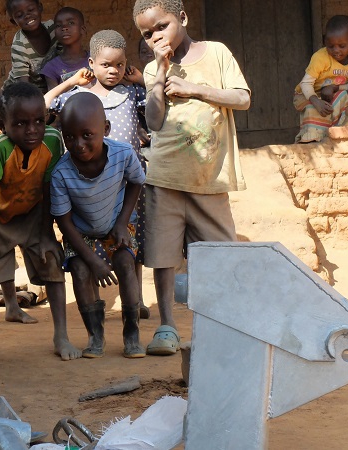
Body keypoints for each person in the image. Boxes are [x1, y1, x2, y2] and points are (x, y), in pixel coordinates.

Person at [133, 0, 251, 355]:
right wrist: (160, 72)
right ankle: (167, 327)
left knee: (220, 255)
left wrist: (194, 89)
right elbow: (154, 121)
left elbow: (242, 98)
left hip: (208, 179)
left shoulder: (216, 53)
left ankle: (222, 325)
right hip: (165, 178)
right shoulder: (153, 68)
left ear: (182, 18)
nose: (156, 36)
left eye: (162, 26)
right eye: (147, 34)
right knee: (163, 257)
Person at [0, 82, 82, 365]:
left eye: (39, 121)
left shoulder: (52, 140)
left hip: (34, 214)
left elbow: (49, 187)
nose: (32, 130)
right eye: (20, 124)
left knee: (51, 259)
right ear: (3, 126)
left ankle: (61, 336)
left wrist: (45, 233)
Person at [48, 30, 151, 320]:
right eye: (106, 65)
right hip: (85, 184)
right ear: (91, 64)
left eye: (120, 64)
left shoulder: (132, 93)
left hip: (125, 182)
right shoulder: (77, 96)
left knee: (129, 242)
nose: (113, 70)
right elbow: (44, 104)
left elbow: (158, 105)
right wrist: (70, 81)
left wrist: (142, 80)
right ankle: (94, 298)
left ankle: (137, 299)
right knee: (89, 242)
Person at [52, 93, 147, 358]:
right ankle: (95, 336)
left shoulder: (123, 154)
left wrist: (122, 222)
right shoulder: (61, 172)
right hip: (80, 231)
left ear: (105, 129)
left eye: (87, 135)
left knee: (125, 263)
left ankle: (132, 335)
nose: (78, 144)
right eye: (70, 137)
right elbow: (64, 222)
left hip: (116, 223)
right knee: (80, 271)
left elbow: (136, 182)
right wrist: (93, 261)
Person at [293, 15, 348, 143]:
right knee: (312, 109)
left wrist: (335, 87)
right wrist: (316, 101)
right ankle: (311, 140)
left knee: (344, 97)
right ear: (325, 42)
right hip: (306, 95)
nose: (336, 50)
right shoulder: (320, 58)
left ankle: (337, 134)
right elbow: (305, 83)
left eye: (342, 46)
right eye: (331, 46)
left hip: (332, 93)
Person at [4, 0, 56, 92]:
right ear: (13, 21)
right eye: (19, 15)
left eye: (31, 9)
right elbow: (23, 85)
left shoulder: (53, 29)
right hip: (20, 90)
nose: (27, 16)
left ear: (40, 7)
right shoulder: (20, 45)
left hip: (50, 87)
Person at [40, 7, 89, 92]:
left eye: (71, 23)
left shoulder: (96, 60)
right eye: (58, 25)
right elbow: (53, 97)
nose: (64, 28)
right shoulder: (51, 67)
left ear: (82, 29)